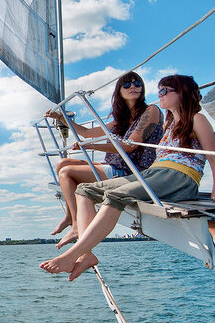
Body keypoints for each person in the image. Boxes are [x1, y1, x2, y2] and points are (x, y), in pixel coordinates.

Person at [41, 74, 215, 281]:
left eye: (164, 91)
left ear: (182, 93)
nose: (159, 95)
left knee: (116, 196)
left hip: (179, 176)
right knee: (85, 190)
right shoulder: (169, 124)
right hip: (155, 172)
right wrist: (64, 119)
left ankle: (72, 255)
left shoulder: (196, 118)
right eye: (159, 91)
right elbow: (89, 133)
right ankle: (86, 254)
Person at [44, 71, 162, 247]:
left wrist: (90, 146)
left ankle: (76, 226)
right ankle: (70, 216)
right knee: (62, 163)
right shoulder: (121, 119)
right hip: (115, 164)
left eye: (137, 83)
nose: (133, 87)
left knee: (67, 173)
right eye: (127, 84)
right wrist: (61, 118)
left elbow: (129, 146)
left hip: (132, 170)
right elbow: (87, 133)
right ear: (119, 91)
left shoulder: (150, 110)